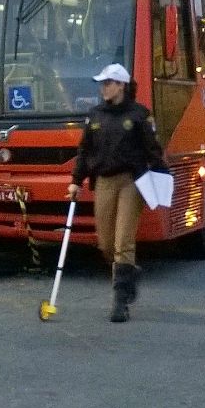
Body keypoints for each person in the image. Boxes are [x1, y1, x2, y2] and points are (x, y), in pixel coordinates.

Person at [68, 63, 167, 323]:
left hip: (131, 182)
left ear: (121, 85)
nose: (104, 88)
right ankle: (129, 273)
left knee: (123, 241)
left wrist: (161, 180)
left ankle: (120, 301)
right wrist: (76, 180)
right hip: (103, 181)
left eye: (108, 83)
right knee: (106, 243)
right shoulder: (94, 116)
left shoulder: (139, 115)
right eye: (102, 83)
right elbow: (84, 151)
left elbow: (153, 150)